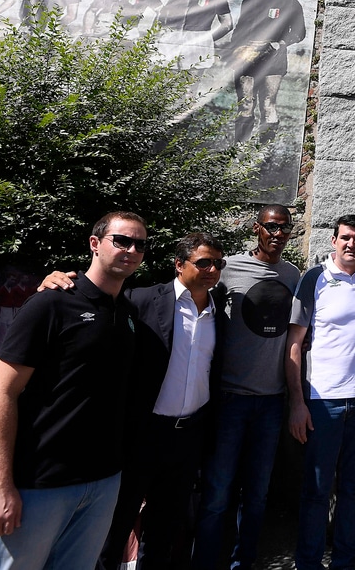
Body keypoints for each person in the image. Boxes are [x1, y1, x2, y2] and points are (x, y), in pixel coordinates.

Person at [0, 211, 146, 569]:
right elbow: (2, 393)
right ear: (95, 243)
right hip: (40, 483)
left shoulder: (128, 314)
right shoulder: (51, 303)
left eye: (140, 244)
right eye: (122, 240)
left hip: (103, 482)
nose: (131, 249)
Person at [99, 232, 227, 569]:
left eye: (218, 263)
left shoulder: (220, 314)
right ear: (179, 264)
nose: (213, 269)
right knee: (117, 525)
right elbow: (98, 311)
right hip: (144, 432)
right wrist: (58, 281)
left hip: (188, 436)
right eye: (203, 262)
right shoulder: (141, 300)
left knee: (164, 530)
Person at [192, 205, 301, 570]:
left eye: (285, 227)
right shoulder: (229, 269)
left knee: (257, 494)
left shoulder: (292, 274)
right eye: (272, 226)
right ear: (257, 228)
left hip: (271, 402)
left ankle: (244, 563)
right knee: (217, 493)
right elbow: (190, 295)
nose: (278, 233)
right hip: (229, 398)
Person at [287, 215, 355, 570]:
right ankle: (308, 562)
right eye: (345, 238)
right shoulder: (315, 279)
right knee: (316, 489)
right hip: (323, 400)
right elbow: (294, 345)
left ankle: (344, 561)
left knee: (354, 488)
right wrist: (297, 403)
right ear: (333, 240)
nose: (350, 244)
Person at [227, 0, 306, 140]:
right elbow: (240, 29)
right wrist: (235, 50)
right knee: (245, 103)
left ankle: (264, 148)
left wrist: (280, 43)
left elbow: (300, 32)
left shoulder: (291, 3)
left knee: (268, 103)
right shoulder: (248, 1)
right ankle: (239, 147)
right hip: (247, 57)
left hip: (273, 58)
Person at [157, 0, 232, 72]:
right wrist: (162, 33)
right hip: (172, 40)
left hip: (197, 42)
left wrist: (207, 39)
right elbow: (163, 15)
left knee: (191, 79)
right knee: (167, 77)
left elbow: (227, 24)